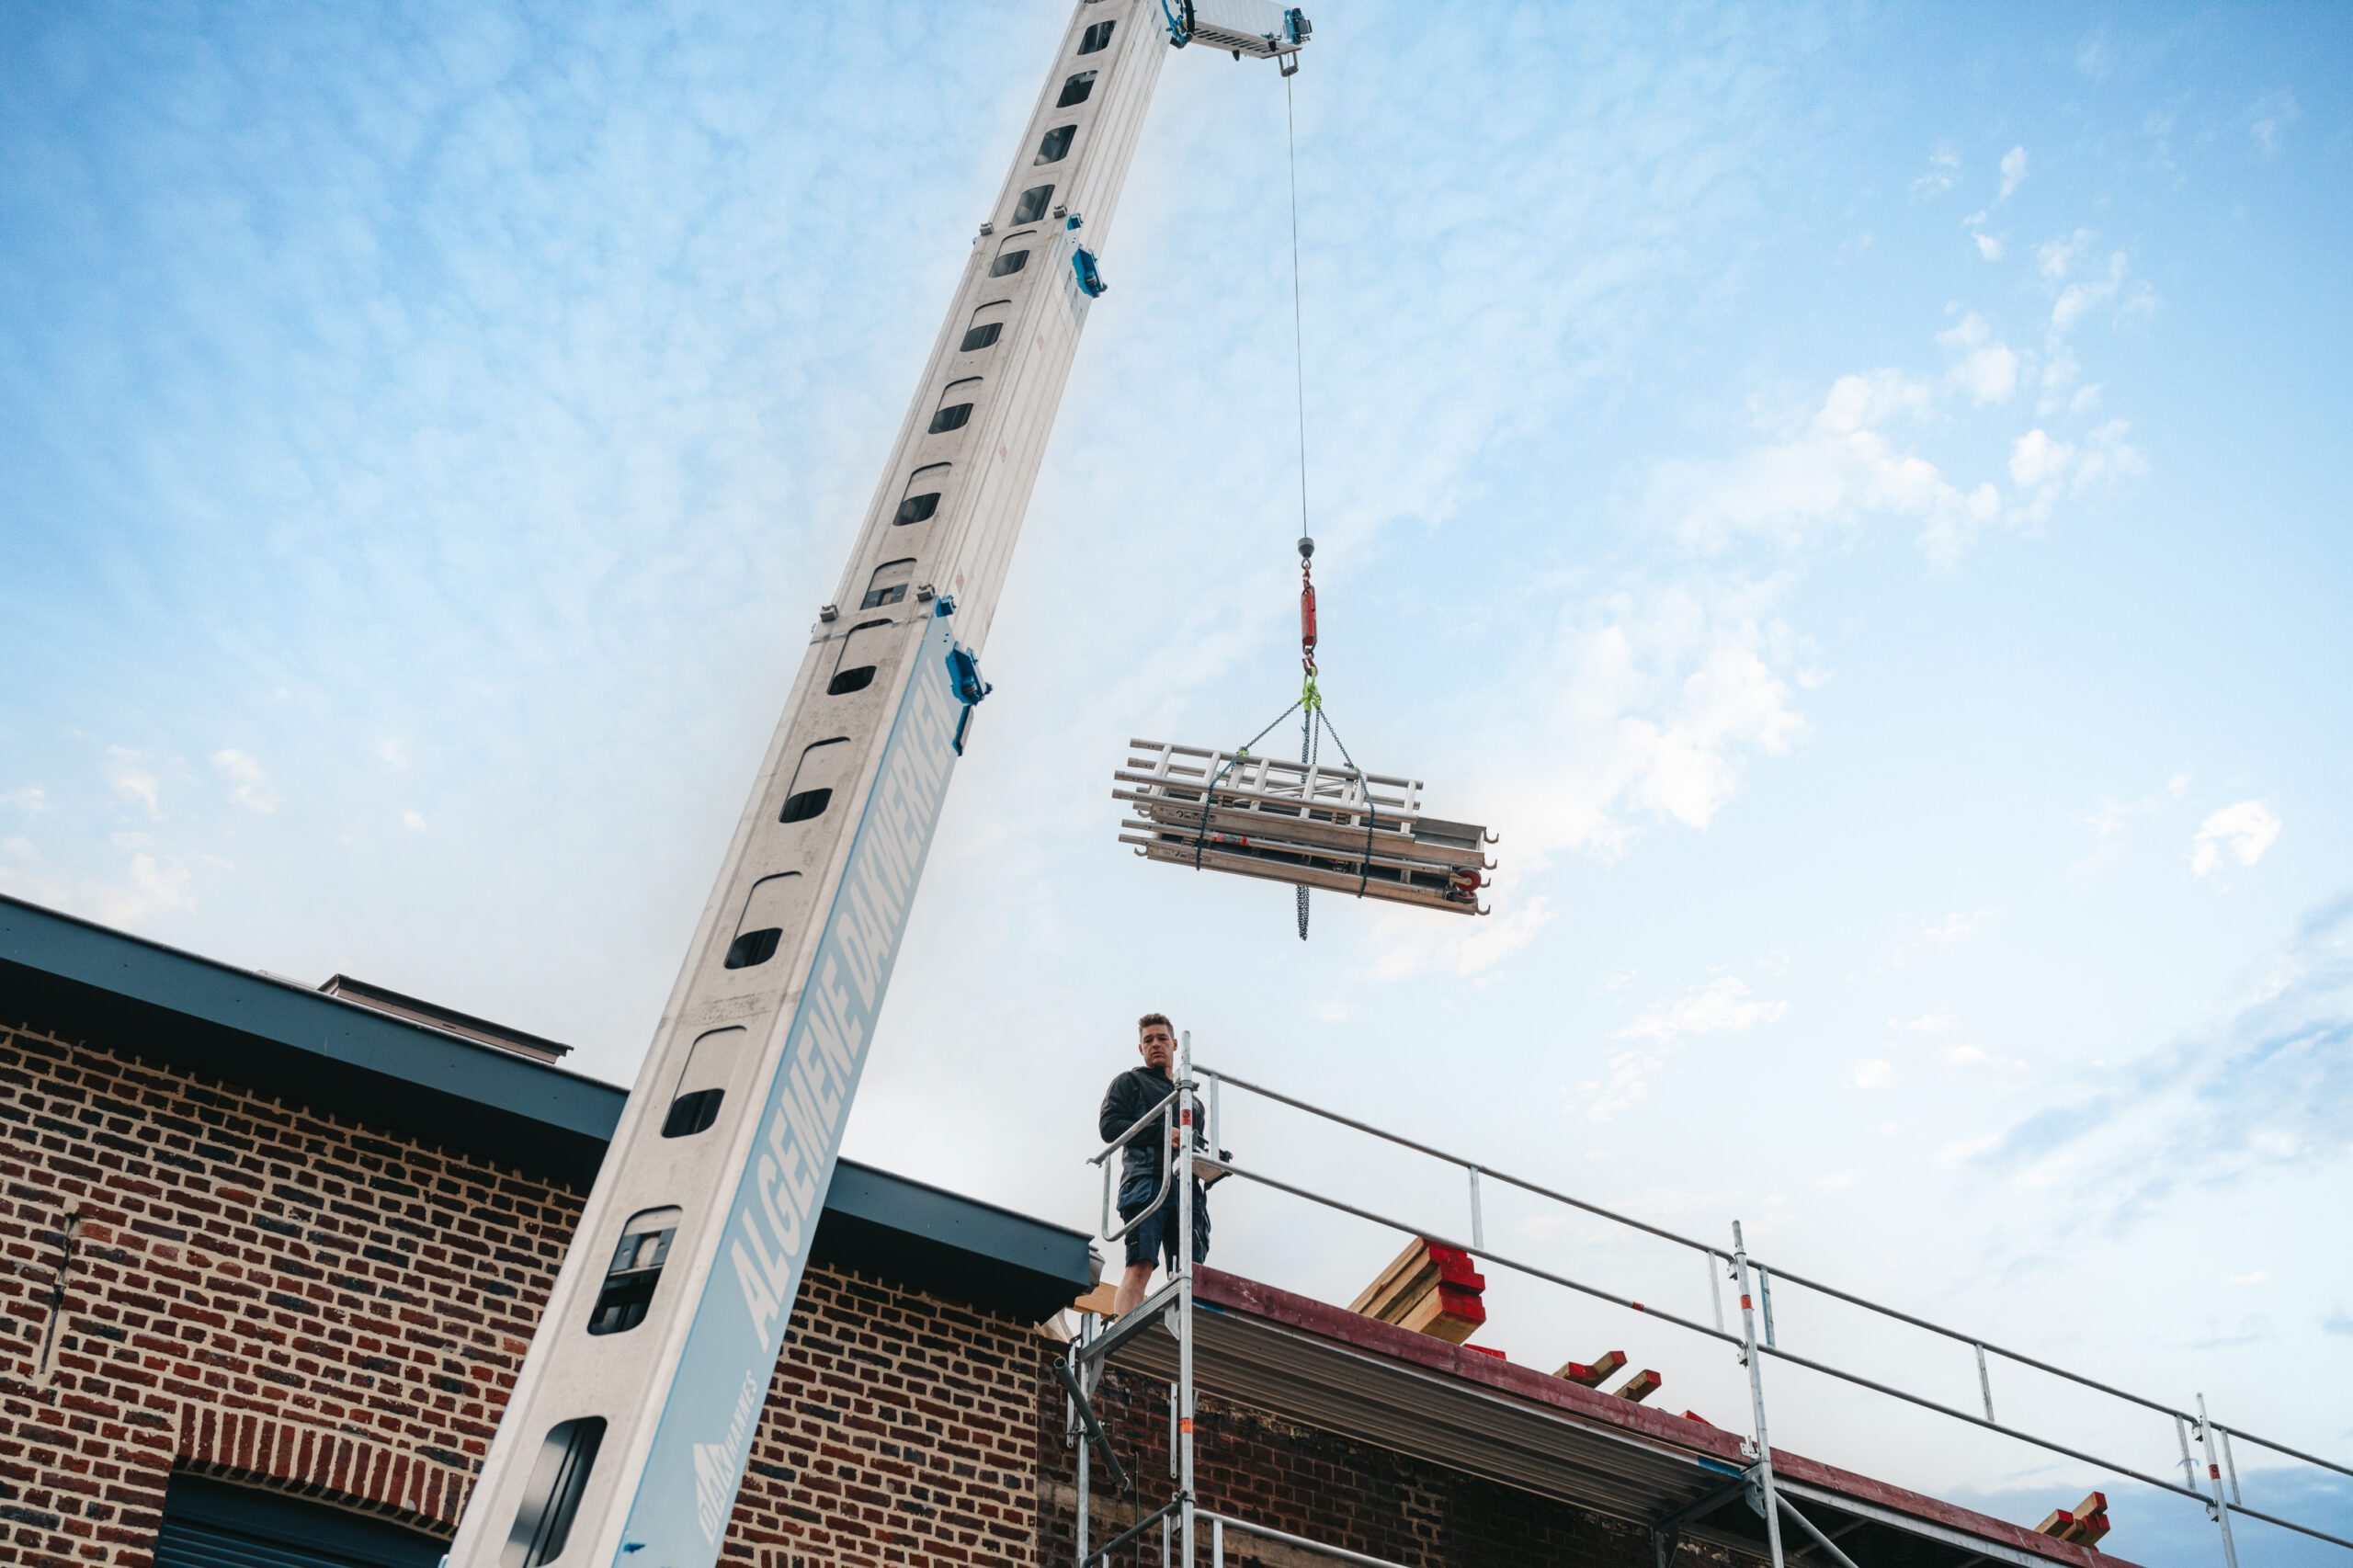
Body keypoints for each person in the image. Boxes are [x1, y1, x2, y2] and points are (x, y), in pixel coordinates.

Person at [1099, 1011, 1211, 1316]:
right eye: (1148, 1040)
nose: (1155, 1044)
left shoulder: (1192, 1102)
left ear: (1174, 1044)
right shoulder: (1130, 1082)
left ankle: (1186, 1339)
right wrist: (1163, 1133)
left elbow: (1199, 1146)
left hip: (1187, 1189)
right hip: (1146, 1181)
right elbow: (1109, 1127)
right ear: (1141, 1048)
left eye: (1162, 1038)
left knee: (1190, 1275)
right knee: (1140, 1265)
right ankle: (1126, 1334)